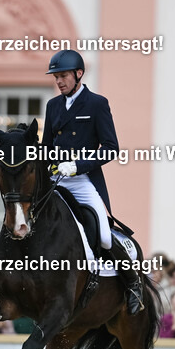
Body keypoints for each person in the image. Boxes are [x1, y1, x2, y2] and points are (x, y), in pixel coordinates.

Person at [42, 49, 143, 314]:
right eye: (56, 77)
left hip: (83, 180)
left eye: (63, 76)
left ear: (78, 74)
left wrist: (77, 164)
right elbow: (45, 147)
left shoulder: (97, 103)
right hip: (56, 179)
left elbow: (111, 148)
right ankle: (0, 285)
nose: (59, 81)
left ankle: (133, 284)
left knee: (103, 234)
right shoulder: (52, 106)